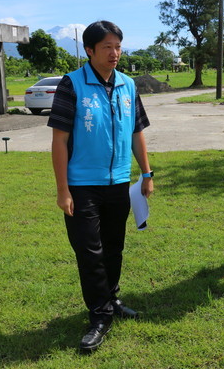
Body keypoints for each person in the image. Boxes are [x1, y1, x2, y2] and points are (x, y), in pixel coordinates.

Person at [48, 20, 154, 353]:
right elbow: (60, 141)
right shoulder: (72, 85)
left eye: (118, 46)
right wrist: (63, 189)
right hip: (82, 186)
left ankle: (111, 299)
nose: (114, 53)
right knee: (89, 252)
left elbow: (137, 133)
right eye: (107, 47)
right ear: (89, 50)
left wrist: (146, 173)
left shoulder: (128, 85)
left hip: (119, 183)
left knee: (113, 247)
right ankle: (100, 316)